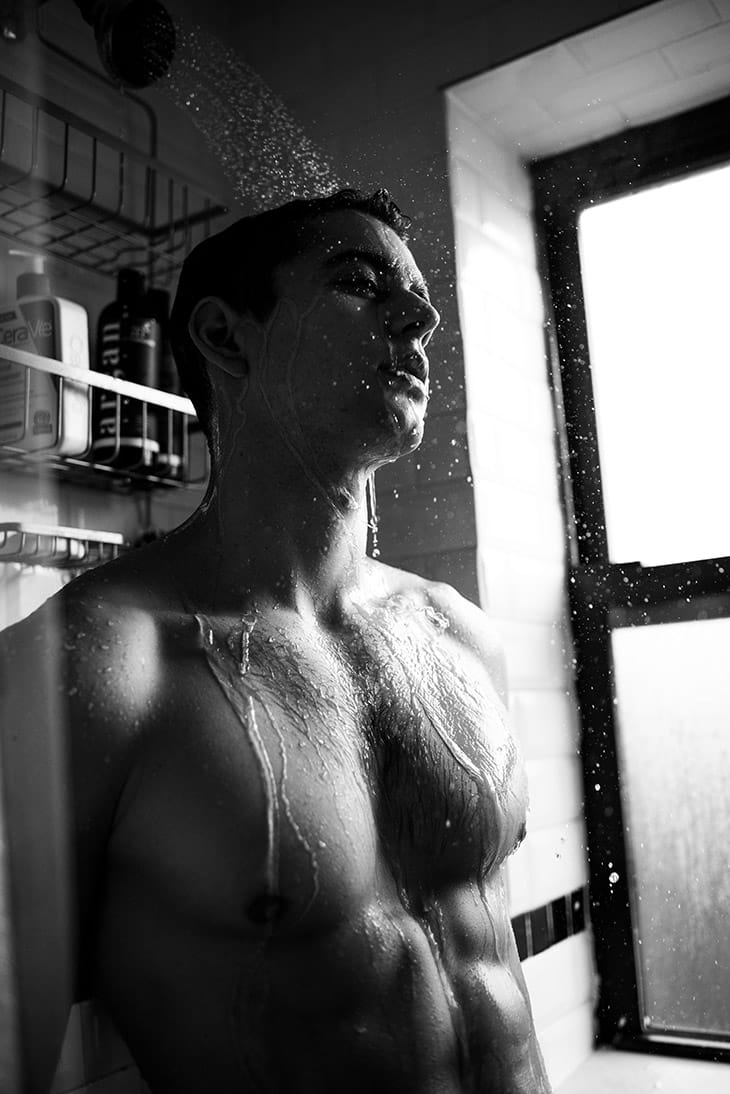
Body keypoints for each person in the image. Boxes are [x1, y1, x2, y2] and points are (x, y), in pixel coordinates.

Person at [1, 189, 551, 1093]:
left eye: (418, 298)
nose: (420, 319)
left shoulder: (462, 636)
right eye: (360, 283)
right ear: (227, 338)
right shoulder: (99, 666)